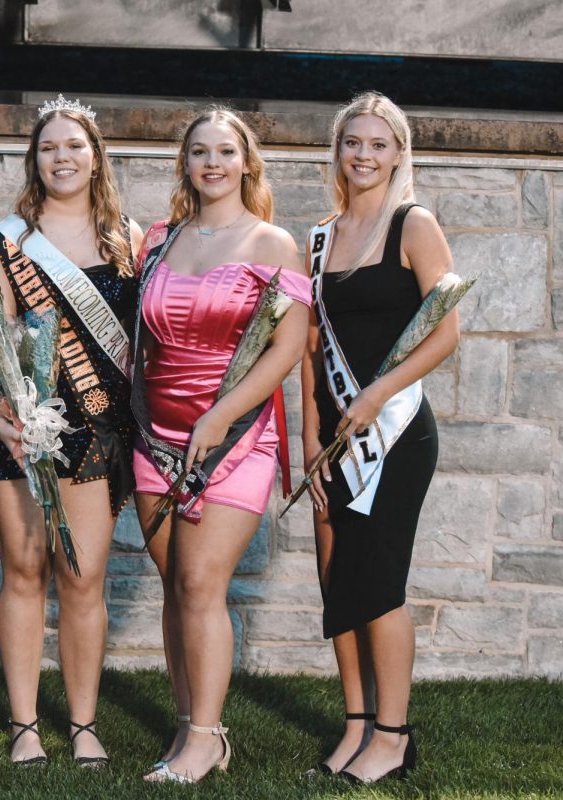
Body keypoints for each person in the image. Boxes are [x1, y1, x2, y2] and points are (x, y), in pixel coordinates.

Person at [133, 108, 311, 784]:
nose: (212, 163)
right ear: (186, 163)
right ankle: (189, 729)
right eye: (199, 152)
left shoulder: (273, 244)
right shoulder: (161, 241)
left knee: (203, 583)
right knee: (175, 587)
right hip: (157, 438)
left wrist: (222, 416)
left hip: (234, 438)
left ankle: (206, 739)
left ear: (246, 163)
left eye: (225, 151)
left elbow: (288, 347)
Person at [0, 96, 141, 767]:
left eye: (74, 146)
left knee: (83, 577)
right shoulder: (7, 242)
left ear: (95, 156)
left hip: (96, 433)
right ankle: (23, 725)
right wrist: (5, 420)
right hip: (21, 431)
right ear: (34, 160)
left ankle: (84, 723)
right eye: (49, 148)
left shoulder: (125, 241)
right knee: (23, 571)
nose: (62, 157)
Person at [299, 91, 459, 785]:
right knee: (339, 581)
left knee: (381, 583)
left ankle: (394, 738)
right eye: (352, 142)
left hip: (394, 435)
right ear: (337, 151)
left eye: (377, 143)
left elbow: (446, 331)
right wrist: (308, 442)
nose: (363, 154)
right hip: (332, 440)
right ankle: (357, 725)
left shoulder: (413, 226)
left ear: (399, 153)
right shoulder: (319, 238)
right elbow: (307, 350)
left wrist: (376, 394)